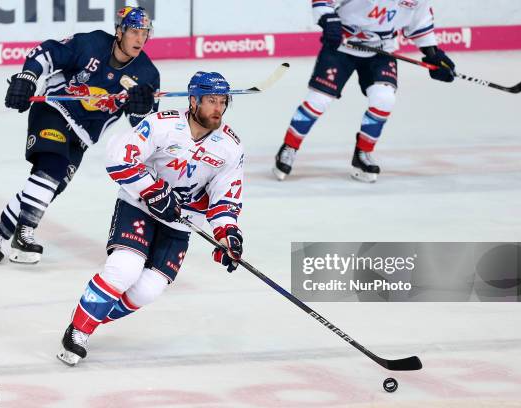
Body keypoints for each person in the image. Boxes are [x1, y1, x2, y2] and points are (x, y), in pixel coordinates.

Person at [56, 71, 245, 366]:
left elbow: (225, 199)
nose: (218, 108)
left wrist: (227, 235)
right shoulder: (163, 124)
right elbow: (119, 156)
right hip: (139, 205)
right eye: (211, 101)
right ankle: (79, 330)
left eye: (222, 102)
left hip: (180, 221)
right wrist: (153, 190)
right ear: (193, 100)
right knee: (124, 269)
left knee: (148, 290)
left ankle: (89, 318)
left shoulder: (230, 147)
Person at [0, 7, 160, 266]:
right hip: (54, 110)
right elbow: (48, 52)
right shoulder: (92, 43)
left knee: (49, 185)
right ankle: (24, 233)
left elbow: (145, 129)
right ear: (119, 31)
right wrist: (28, 76)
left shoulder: (148, 74)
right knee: (52, 168)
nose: (140, 39)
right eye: (134, 32)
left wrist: (143, 108)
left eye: (144, 33)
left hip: (84, 135)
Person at [273, 0, 455, 183]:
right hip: (341, 47)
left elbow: (420, 22)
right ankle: (289, 147)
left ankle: (363, 153)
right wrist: (328, 19)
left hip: (381, 52)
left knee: (384, 98)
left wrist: (433, 55)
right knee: (319, 100)